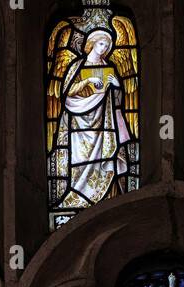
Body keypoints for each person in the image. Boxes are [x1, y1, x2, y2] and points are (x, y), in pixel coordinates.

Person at [50, 28, 133, 214]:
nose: (104, 49)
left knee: (105, 159)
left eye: (107, 45)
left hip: (104, 124)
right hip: (78, 124)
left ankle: (109, 199)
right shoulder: (77, 66)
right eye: (101, 44)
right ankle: (78, 196)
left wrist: (117, 86)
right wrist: (88, 82)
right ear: (92, 44)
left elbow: (118, 102)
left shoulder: (110, 67)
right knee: (79, 161)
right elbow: (67, 93)